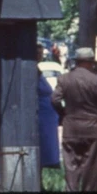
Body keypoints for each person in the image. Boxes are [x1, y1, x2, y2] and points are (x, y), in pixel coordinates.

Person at [50, 46, 97, 191]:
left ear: (76, 62)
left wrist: (63, 114)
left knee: (71, 169)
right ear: (90, 62)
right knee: (89, 171)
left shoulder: (65, 79)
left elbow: (54, 99)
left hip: (71, 129)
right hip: (92, 130)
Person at [36, 44, 60, 183]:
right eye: (37, 53)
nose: (40, 56)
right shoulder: (32, 70)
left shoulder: (38, 69)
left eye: (41, 54)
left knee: (44, 150)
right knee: (42, 149)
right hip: (42, 118)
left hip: (47, 118)